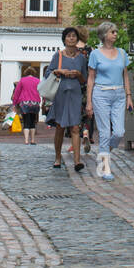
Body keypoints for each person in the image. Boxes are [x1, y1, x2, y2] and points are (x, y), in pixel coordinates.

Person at [84, 21, 133, 181]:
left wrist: (128, 95)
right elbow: (91, 79)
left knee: (119, 132)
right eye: (113, 32)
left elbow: (125, 75)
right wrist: (89, 102)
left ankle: (103, 153)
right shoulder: (95, 54)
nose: (116, 34)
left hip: (119, 94)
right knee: (104, 133)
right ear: (104, 35)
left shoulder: (122, 53)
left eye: (116, 32)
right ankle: (105, 168)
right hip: (101, 94)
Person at [45, 26, 88, 171]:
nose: (71, 38)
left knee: (75, 127)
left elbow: (84, 80)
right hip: (60, 94)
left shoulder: (81, 57)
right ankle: (57, 157)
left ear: (77, 39)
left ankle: (77, 161)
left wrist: (77, 74)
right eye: (68, 36)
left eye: (74, 36)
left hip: (75, 94)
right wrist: (59, 71)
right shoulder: (58, 55)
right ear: (64, 39)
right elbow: (48, 74)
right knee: (60, 126)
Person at [10, 65, 42, 145]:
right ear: (34, 73)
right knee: (33, 121)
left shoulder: (22, 80)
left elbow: (17, 93)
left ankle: (26, 140)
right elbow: (41, 91)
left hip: (24, 104)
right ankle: (33, 140)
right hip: (35, 103)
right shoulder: (38, 81)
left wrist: (14, 104)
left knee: (26, 122)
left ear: (26, 73)